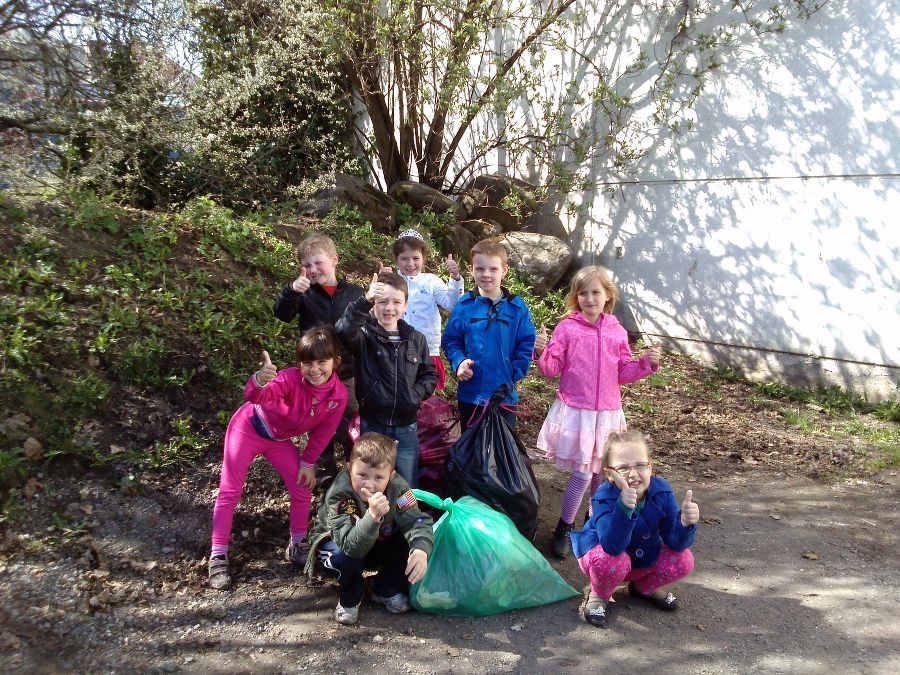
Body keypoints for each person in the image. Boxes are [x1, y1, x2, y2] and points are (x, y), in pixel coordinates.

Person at [533, 265, 660, 559]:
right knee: (581, 473)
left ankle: (595, 524)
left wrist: (646, 363)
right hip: (578, 413)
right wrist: (540, 350)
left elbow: (624, 371)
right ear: (576, 297)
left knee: (600, 476)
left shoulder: (616, 329)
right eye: (583, 293)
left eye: (596, 292)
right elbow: (551, 369)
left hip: (608, 414)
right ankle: (564, 528)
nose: (589, 298)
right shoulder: (567, 328)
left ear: (607, 296)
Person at [208, 327, 349, 590]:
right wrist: (260, 380)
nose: (315, 369)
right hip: (249, 427)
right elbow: (256, 396)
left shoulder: (338, 395)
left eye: (322, 362)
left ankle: (297, 544)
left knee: (303, 485)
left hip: (279, 440)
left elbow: (323, 433)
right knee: (230, 491)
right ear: (299, 364)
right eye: (307, 363)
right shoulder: (289, 379)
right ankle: (218, 554)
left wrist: (308, 463)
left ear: (335, 362)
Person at [571, 430, 699, 627]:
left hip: (641, 559)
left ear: (650, 467)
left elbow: (676, 543)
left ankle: (642, 588)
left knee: (684, 559)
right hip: (604, 558)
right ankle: (599, 594)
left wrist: (685, 524)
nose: (633, 474)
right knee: (612, 560)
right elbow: (612, 547)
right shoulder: (603, 497)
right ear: (609, 474)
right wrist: (624, 510)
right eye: (623, 468)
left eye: (640, 465)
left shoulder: (662, 491)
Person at [304, 432, 434, 626]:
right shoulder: (340, 493)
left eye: (379, 477)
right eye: (362, 475)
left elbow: (417, 519)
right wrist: (372, 516)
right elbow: (350, 546)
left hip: (376, 543)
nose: (370, 485)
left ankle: (383, 587)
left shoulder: (398, 488)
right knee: (341, 555)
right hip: (341, 547)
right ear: (349, 469)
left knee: (417, 541)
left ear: (391, 475)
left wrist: (421, 550)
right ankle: (351, 595)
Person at [273, 233, 364, 482]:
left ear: (335, 260)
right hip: (314, 373)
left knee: (350, 419)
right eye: (307, 265)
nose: (313, 270)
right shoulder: (304, 293)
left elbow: (363, 329)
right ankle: (324, 465)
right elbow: (282, 314)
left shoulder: (354, 292)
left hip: (346, 372)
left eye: (318, 262)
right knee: (316, 419)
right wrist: (291, 291)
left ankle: (354, 464)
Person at [335, 271, 437, 486]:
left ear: (406, 305)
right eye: (382, 302)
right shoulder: (364, 336)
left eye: (396, 302)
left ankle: (408, 518)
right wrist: (364, 301)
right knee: (371, 479)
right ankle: (373, 518)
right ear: (374, 305)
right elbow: (343, 330)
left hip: (405, 425)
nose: (389, 308)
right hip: (373, 423)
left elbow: (429, 373)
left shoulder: (416, 339)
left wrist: (415, 395)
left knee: (406, 482)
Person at [441, 239, 536, 429]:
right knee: (472, 451)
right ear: (471, 270)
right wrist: (459, 362)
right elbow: (451, 341)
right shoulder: (464, 306)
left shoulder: (517, 308)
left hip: (504, 396)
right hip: (471, 395)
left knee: (501, 453)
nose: (486, 274)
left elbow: (526, 345)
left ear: (504, 271)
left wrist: (513, 373)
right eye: (480, 269)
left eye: (493, 269)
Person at [378, 228, 464, 390]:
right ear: (396, 259)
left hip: (427, 350)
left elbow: (452, 304)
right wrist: (381, 281)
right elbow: (376, 309)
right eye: (404, 259)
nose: (410, 264)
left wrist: (455, 280)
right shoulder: (392, 281)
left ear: (423, 258)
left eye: (415, 258)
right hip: (395, 347)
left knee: (425, 395)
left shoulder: (431, 281)